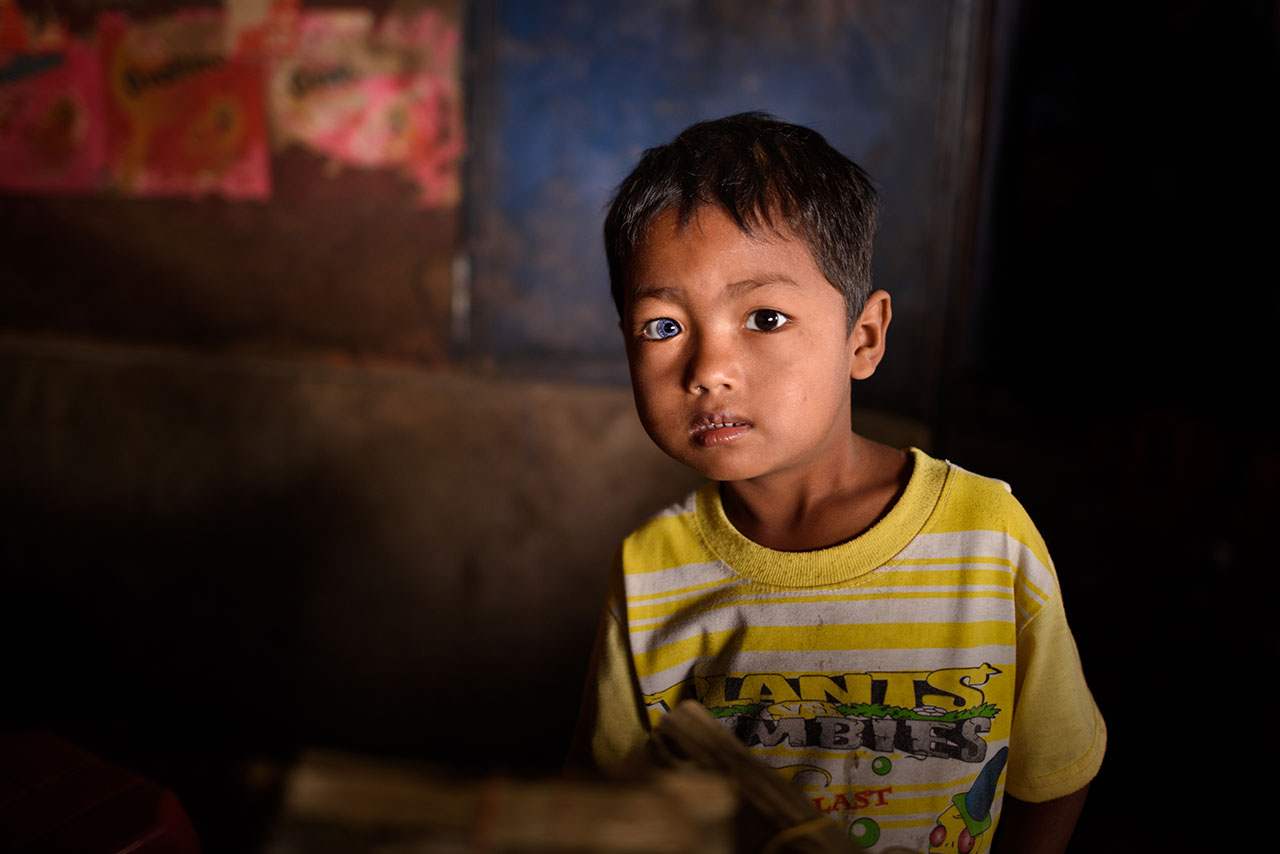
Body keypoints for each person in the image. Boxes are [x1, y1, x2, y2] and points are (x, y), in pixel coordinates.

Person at [573, 112, 1105, 854]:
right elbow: (616, 804)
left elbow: (1055, 770)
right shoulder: (648, 572)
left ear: (864, 337)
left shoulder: (985, 536)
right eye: (663, 327)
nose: (708, 371)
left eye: (764, 316)